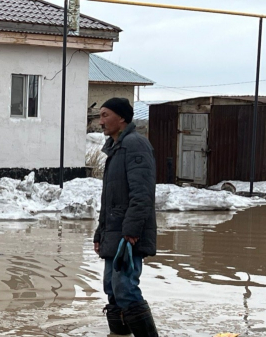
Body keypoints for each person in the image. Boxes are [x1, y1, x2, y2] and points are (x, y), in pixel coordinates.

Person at [94, 97, 158, 336]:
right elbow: (110, 199)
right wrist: (100, 233)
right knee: (111, 288)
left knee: (125, 289)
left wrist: (131, 231)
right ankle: (119, 334)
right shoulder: (116, 148)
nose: (100, 122)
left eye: (104, 115)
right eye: (100, 116)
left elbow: (142, 194)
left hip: (128, 235)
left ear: (121, 118)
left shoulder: (135, 145)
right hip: (114, 233)